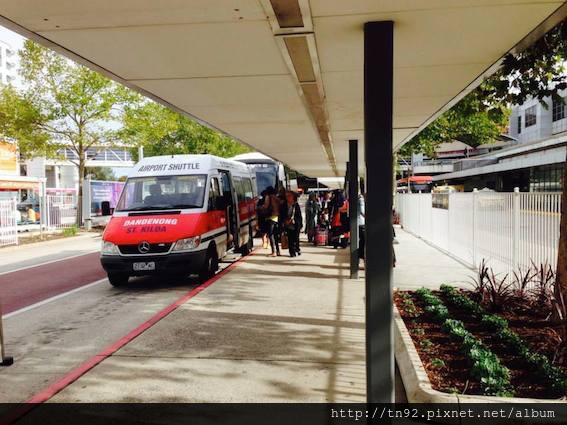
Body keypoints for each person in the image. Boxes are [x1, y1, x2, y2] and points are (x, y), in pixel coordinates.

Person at [261, 186, 281, 257]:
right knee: (275, 235)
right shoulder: (276, 197)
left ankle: (273, 252)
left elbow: (266, 206)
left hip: (270, 217)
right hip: (276, 217)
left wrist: (261, 207)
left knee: (271, 235)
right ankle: (278, 251)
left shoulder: (268, 197)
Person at [282, 190, 303, 257]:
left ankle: (297, 249)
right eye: (287, 196)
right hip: (288, 225)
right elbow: (281, 215)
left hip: (295, 224)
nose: (288, 197)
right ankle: (292, 252)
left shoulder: (296, 205)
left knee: (296, 238)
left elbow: (299, 216)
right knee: (290, 238)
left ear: (293, 197)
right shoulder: (284, 205)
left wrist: (298, 222)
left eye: (289, 196)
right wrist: (285, 221)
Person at [358, 191, 365, 261]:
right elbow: (363, 211)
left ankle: (360, 254)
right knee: (363, 239)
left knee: (361, 239)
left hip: (359, 222)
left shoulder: (359, 199)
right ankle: (361, 254)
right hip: (361, 222)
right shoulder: (361, 200)